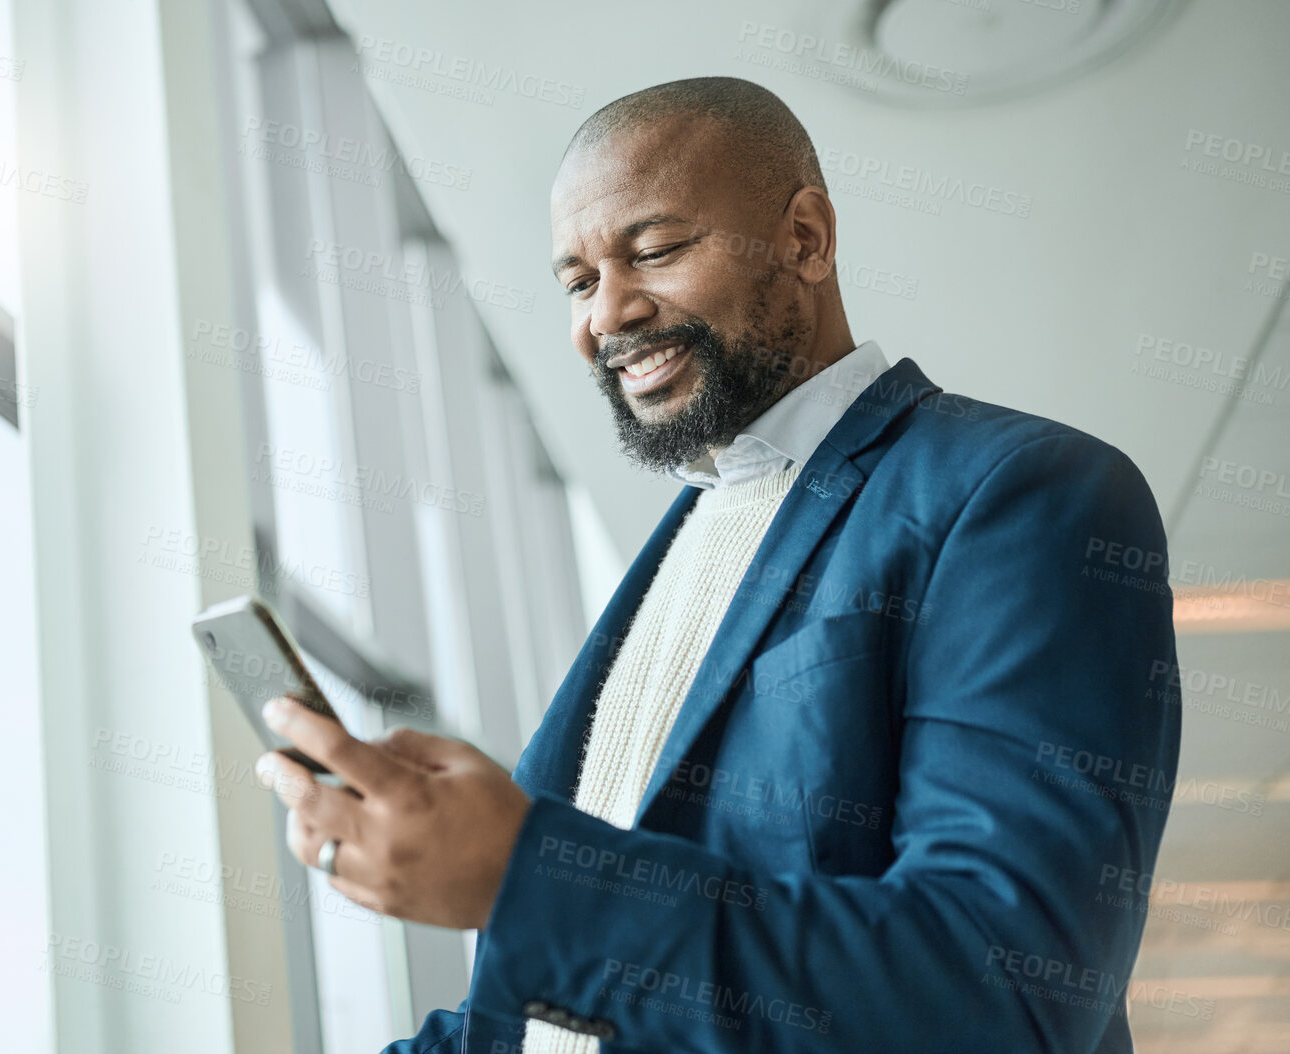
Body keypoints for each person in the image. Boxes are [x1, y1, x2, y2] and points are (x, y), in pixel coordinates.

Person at [252, 76, 1179, 1054]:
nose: (605, 315)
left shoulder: (1021, 491)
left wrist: (524, 876)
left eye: (652, 250)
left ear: (807, 239)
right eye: (575, 281)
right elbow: (537, 1028)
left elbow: (1003, 991)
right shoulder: (686, 540)